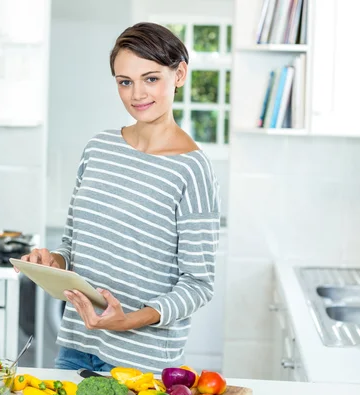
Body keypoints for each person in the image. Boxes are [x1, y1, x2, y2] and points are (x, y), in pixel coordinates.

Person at [21, 22, 221, 372]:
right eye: (125, 82)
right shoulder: (99, 148)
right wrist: (54, 262)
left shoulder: (192, 169)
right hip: (76, 347)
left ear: (179, 74)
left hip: (142, 365)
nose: (137, 94)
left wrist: (129, 320)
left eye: (151, 78)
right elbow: (72, 245)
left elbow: (198, 284)